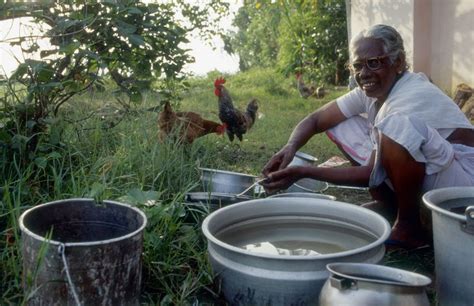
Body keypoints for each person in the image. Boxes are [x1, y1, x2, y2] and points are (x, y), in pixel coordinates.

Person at [261, 24, 474, 248]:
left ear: (398, 62)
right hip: (437, 168)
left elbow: (369, 173)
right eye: (357, 66)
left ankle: (410, 227)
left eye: (374, 63)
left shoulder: (409, 95)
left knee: (394, 128)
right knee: (342, 124)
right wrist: (290, 147)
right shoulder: (374, 90)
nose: (363, 73)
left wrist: (303, 171)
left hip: (464, 184)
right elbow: (316, 120)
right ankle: (392, 204)